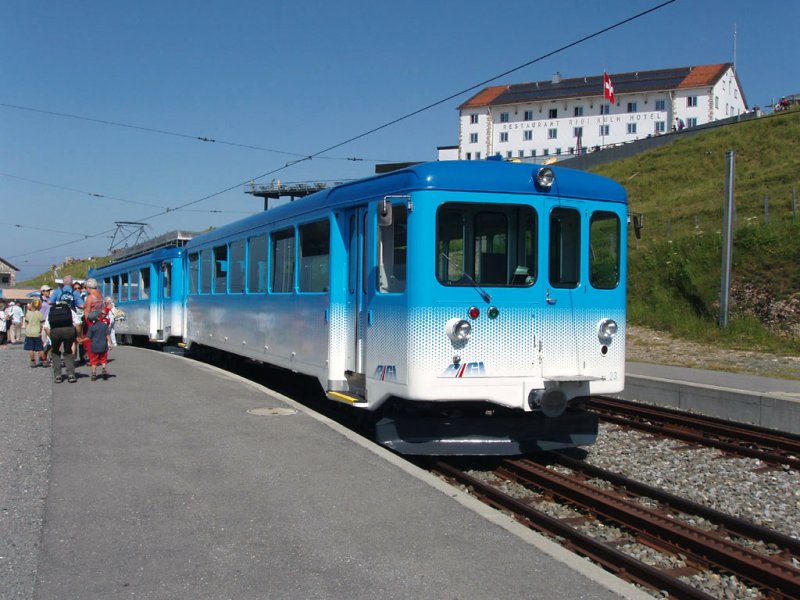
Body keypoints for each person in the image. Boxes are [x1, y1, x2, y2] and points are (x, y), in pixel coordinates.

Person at [43, 296, 81, 383]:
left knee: (55, 352)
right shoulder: (69, 310)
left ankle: (58, 375)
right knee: (68, 351)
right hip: (68, 330)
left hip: (55, 331)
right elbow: (78, 324)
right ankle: (71, 374)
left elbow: (46, 327)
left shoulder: (51, 311)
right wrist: (78, 336)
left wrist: (52, 337)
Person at [84, 309, 112, 381]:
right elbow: (108, 335)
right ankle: (104, 369)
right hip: (103, 346)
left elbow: (88, 338)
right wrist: (110, 344)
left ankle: (93, 374)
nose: (101, 316)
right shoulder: (104, 326)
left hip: (94, 347)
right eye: (100, 315)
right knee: (103, 359)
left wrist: (81, 340)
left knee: (93, 361)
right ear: (98, 318)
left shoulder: (91, 327)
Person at [23, 299, 48, 367]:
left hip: (29, 333)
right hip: (37, 333)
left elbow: (26, 323)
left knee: (30, 348)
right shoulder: (39, 314)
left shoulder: (28, 313)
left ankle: (33, 361)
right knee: (40, 348)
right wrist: (40, 330)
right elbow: (42, 323)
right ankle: (44, 361)